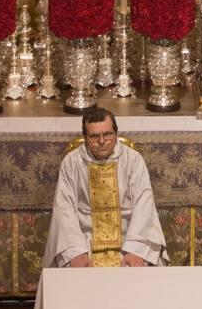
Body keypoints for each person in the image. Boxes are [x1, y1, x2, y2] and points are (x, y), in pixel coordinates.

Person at [44, 108, 168, 268]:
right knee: (69, 271)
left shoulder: (133, 159)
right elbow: (64, 209)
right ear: (85, 138)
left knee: (147, 271)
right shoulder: (72, 162)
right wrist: (75, 252)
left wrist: (135, 249)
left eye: (107, 135)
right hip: (84, 241)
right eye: (94, 136)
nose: (102, 141)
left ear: (116, 133)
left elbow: (144, 205)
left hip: (129, 238)